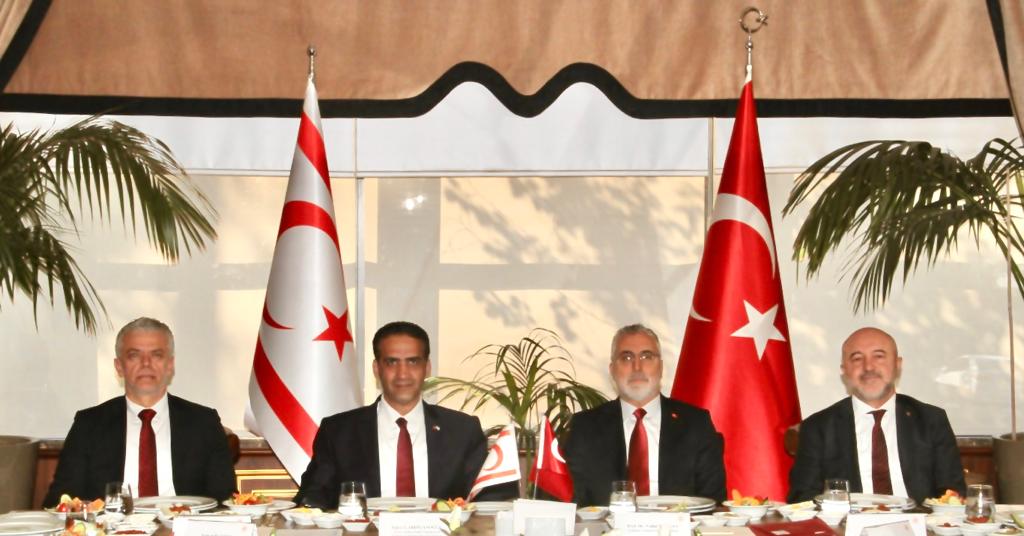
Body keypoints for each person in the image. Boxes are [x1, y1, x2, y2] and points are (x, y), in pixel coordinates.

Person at [294, 321, 515, 507]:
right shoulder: (338, 432)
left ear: (427, 368)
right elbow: (312, 497)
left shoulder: (462, 430)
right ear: (376, 369)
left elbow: (491, 498)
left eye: (413, 361)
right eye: (392, 362)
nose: (403, 374)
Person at [43, 317, 237, 506]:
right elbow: (60, 501)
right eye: (134, 355)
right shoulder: (88, 425)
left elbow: (225, 501)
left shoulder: (204, 423)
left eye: (156, 355)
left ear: (170, 365)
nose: (146, 364)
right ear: (119, 367)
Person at [788, 327, 966, 504]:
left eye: (879, 356)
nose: (868, 367)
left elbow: (952, 493)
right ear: (844, 370)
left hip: (919, 519)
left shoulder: (931, 420)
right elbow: (802, 499)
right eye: (857, 358)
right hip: (848, 521)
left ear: (897, 364)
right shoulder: (818, 427)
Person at [564, 324, 726, 506]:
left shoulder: (696, 424)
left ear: (661, 367)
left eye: (647, 357)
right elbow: (574, 502)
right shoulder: (585, 427)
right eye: (626, 357)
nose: (637, 367)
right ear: (612, 370)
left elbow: (713, 501)